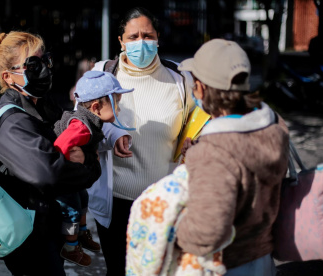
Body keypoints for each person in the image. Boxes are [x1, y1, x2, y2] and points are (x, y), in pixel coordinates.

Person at [0, 31, 101, 276]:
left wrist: (87, 158)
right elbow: (50, 173)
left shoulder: (43, 104)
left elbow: (77, 137)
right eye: (33, 65)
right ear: (8, 76)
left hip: (47, 226)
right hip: (27, 239)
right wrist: (90, 166)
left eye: (45, 60)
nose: (45, 69)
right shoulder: (12, 122)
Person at [87, 6, 195, 275]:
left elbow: (198, 126)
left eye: (147, 35)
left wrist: (197, 144)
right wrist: (111, 136)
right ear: (121, 41)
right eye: (133, 37)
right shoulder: (102, 76)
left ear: (158, 37)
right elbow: (83, 126)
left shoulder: (181, 80)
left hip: (164, 204)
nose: (141, 42)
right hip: (116, 202)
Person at [175, 39, 290, 275]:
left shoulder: (214, 152)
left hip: (225, 264)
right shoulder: (274, 125)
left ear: (203, 88)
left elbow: (207, 232)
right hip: (263, 258)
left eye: (195, 84)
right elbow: (243, 158)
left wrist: (172, 232)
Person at [53, 71, 134, 267]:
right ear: (96, 107)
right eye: (116, 104)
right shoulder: (81, 127)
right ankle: (70, 247)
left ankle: (80, 234)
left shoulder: (91, 121)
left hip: (75, 178)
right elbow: (60, 146)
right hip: (64, 179)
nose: (119, 109)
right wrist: (67, 167)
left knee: (83, 200)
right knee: (72, 210)